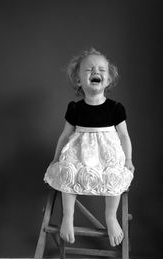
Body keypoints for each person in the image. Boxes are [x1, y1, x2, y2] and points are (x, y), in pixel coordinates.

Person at [44, 48, 135, 247]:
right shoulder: (75, 108)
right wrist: (56, 156)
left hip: (106, 157)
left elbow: (124, 136)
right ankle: (68, 217)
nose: (96, 71)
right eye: (89, 69)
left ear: (109, 80)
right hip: (79, 155)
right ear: (78, 80)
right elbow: (65, 135)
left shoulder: (115, 108)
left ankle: (110, 217)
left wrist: (128, 160)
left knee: (114, 175)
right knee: (68, 171)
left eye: (102, 69)